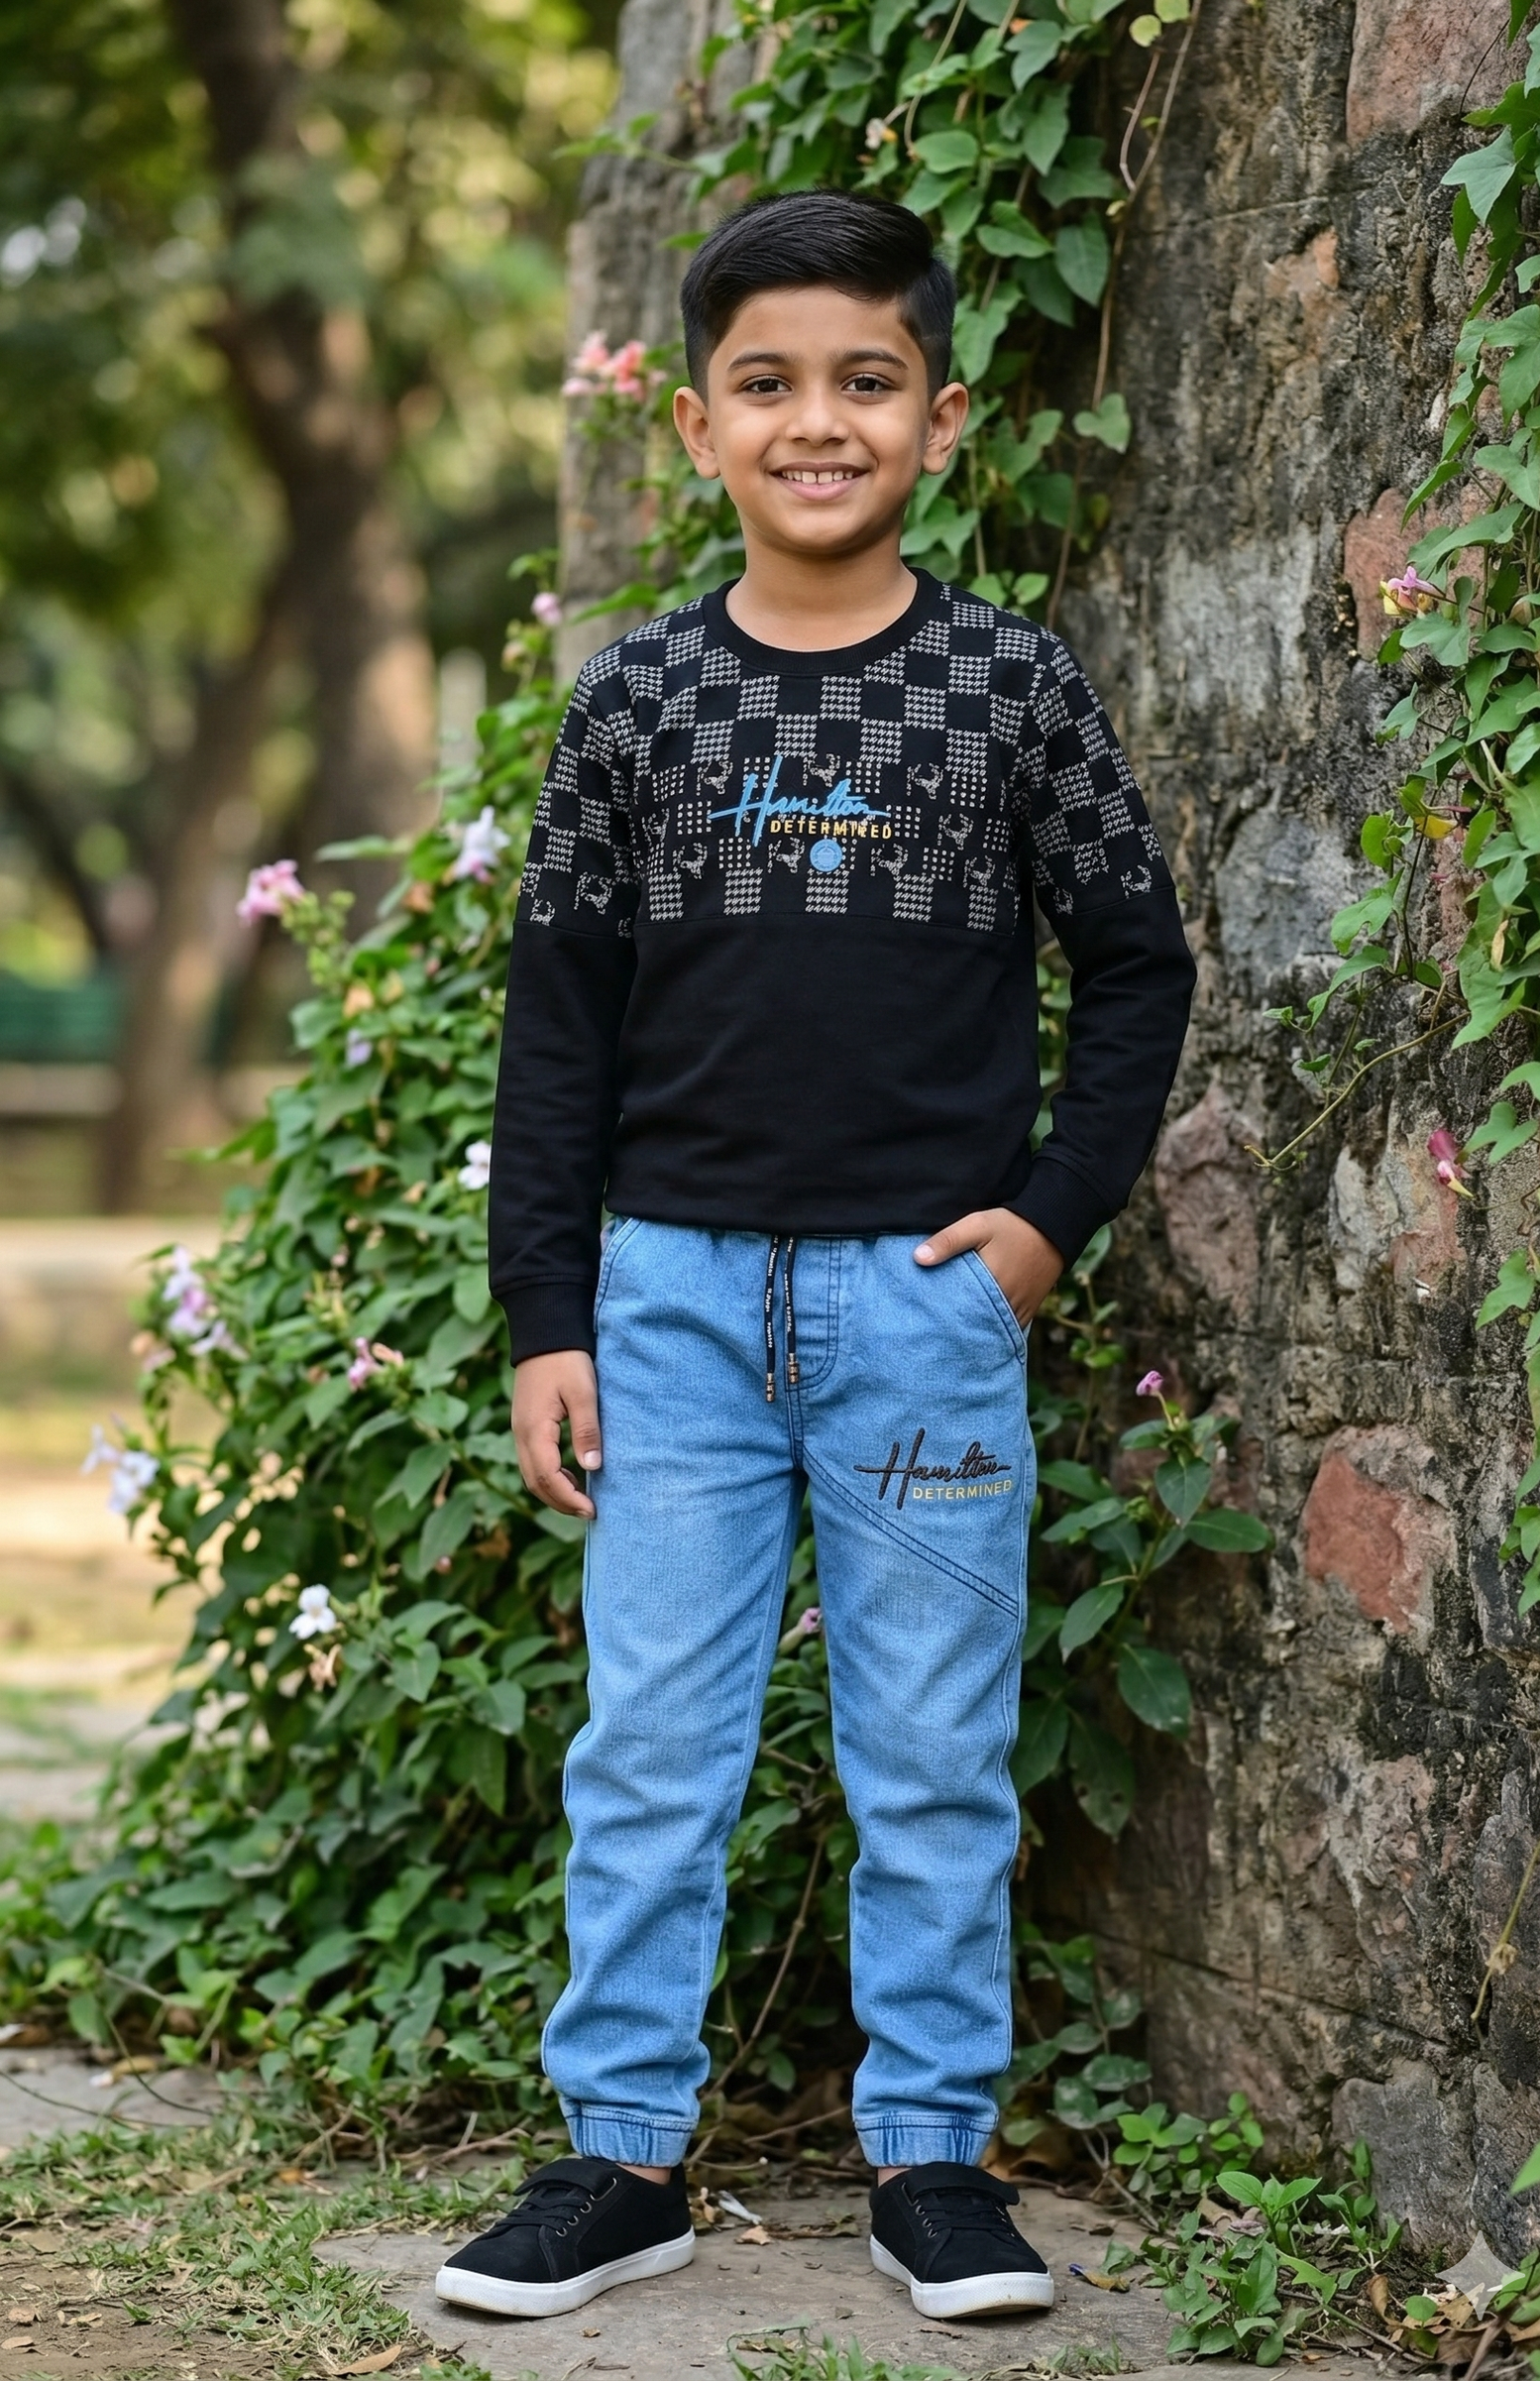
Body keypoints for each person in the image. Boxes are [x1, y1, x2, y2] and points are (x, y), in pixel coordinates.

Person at [437, 187, 1195, 2326]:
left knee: (930, 1751)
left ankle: (932, 2159)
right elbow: (557, 1027)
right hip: (670, 1305)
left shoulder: (1007, 686)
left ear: (940, 419)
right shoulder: (638, 701)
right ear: (696, 426)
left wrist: (1041, 1226)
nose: (817, 420)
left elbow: (1137, 967)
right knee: (649, 1747)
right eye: (765, 383)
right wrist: (548, 1314)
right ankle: (620, 2157)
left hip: (920, 1312)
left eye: (867, 378)